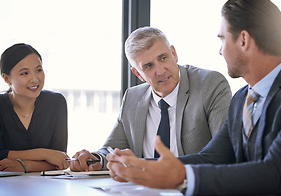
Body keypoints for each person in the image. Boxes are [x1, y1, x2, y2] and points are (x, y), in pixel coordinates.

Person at [106, 0, 281, 196]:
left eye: (222, 39)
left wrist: (182, 178)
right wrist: (138, 166)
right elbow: (211, 157)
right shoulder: (242, 98)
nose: (220, 51)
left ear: (243, 40)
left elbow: (275, 171)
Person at [69, 27, 232, 172]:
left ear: (174, 54)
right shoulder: (132, 98)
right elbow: (112, 149)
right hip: (144, 191)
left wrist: (143, 164)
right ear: (138, 74)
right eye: (148, 66)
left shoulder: (210, 85)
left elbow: (224, 154)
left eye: (163, 58)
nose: (160, 71)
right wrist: (96, 159)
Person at [0, 43, 70, 172]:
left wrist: (23, 166)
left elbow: (61, 160)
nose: (35, 79)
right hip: (3, 187)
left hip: (47, 186)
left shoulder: (56, 102)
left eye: (38, 70)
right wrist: (44, 154)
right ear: (6, 79)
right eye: (24, 73)